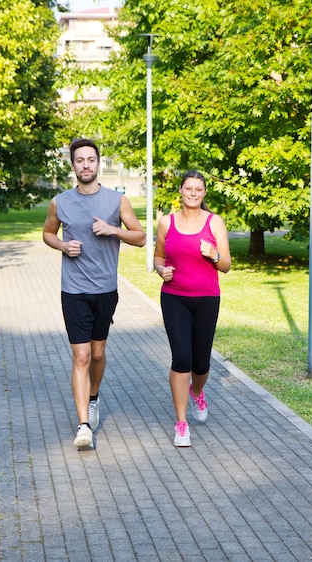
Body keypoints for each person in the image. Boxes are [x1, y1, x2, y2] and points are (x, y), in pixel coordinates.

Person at [43, 138, 145, 448]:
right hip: (73, 290)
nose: (85, 165)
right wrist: (62, 245)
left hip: (105, 290)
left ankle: (94, 396)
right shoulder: (60, 202)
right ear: (72, 165)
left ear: (98, 164)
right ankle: (83, 425)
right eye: (80, 160)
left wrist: (113, 230)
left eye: (91, 160)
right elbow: (48, 233)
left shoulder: (117, 201)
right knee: (82, 355)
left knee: (98, 354)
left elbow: (140, 237)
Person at [154, 170, 231, 448]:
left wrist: (215, 255)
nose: (194, 193)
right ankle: (181, 423)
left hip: (207, 298)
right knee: (181, 359)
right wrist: (161, 270)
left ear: (204, 193)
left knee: (201, 364)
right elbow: (158, 256)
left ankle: (197, 392)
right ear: (181, 191)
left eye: (199, 189)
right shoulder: (166, 222)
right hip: (174, 297)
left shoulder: (215, 222)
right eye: (189, 188)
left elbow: (226, 265)